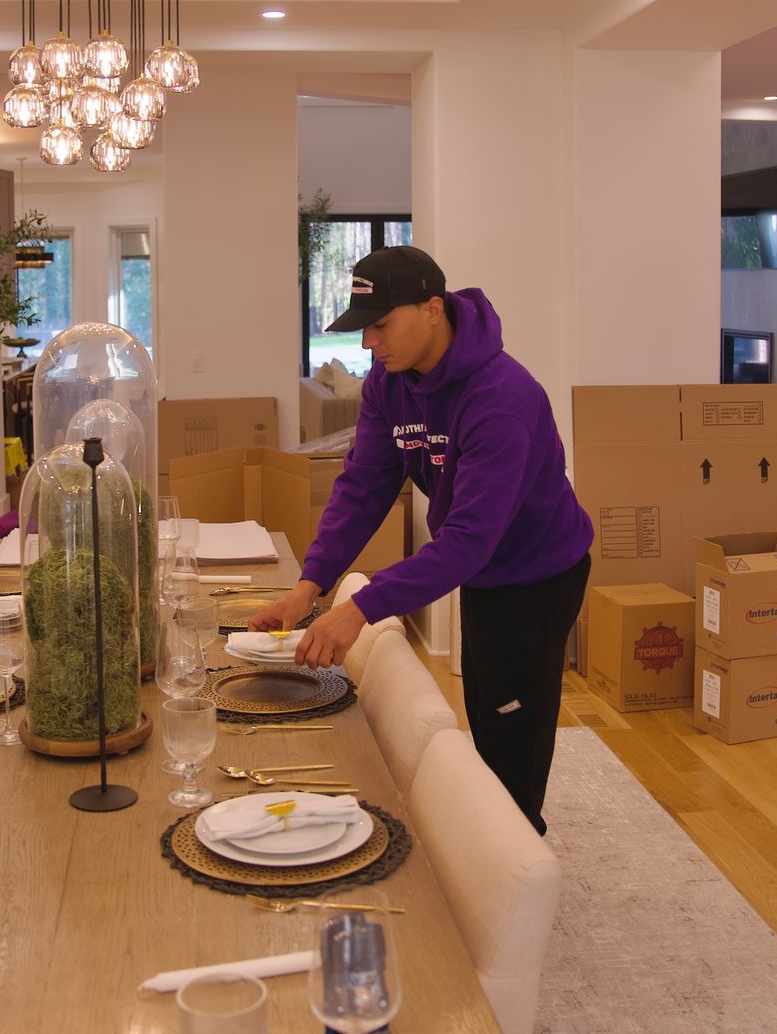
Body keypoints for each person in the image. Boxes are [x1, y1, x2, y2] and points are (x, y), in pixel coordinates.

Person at [250, 246, 592, 833]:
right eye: (363, 328)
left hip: (538, 573)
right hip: (483, 567)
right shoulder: (391, 381)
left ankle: (515, 856)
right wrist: (309, 586)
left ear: (434, 309)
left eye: (381, 325)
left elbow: (467, 541)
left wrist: (360, 608)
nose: (368, 344)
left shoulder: (503, 399)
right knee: (485, 711)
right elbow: (364, 486)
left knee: (513, 730)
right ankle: (492, 833)